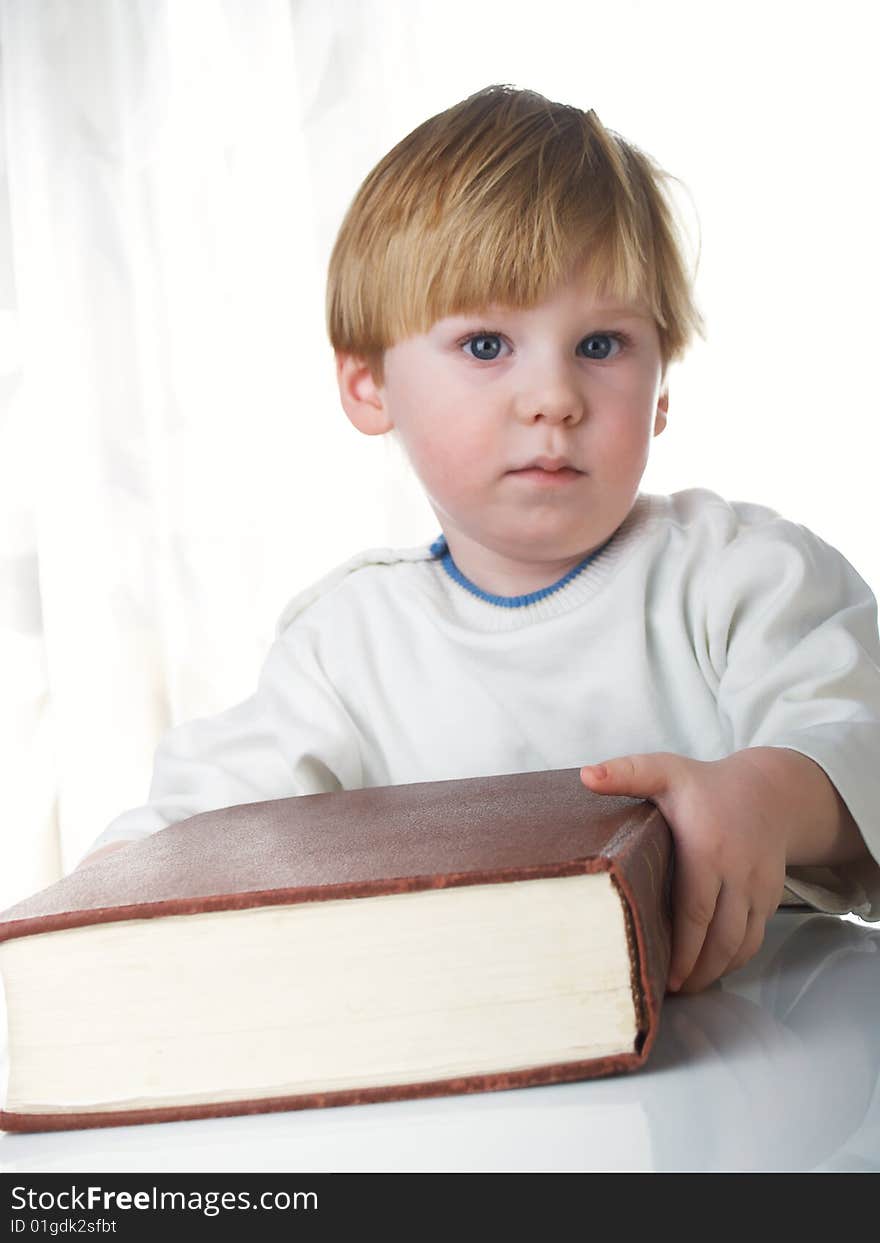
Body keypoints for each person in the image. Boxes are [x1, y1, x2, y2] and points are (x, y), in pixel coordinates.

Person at [74, 84, 880, 995]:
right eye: (489, 345)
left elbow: (856, 731)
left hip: (778, 1053)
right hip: (484, 1082)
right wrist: (101, 899)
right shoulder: (348, 647)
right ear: (370, 385)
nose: (554, 397)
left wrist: (767, 798)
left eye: (603, 345)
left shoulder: (744, 577)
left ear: (662, 386)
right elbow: (203, 815)